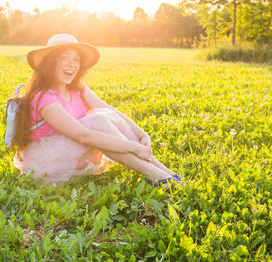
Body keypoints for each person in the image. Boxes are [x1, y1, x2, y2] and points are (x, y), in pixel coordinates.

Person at [12, 34, 182, 186]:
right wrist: (133, 147)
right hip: (44, 163)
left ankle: (161, 170)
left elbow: (109, 110)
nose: (72, 64)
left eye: (76, 59)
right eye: (65, 57)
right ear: (49, 63)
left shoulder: (76, 88)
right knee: (98, 120)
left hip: (73, 153)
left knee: (103, 114)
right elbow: (82, 135)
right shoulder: (43, 97)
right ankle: (156, 175)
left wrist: (142, 134)